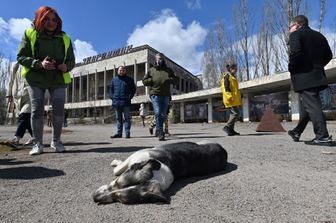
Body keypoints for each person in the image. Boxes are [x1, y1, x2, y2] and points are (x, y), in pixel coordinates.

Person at [17, 6, 75, 155]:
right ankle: (38, 144)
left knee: (59, 109)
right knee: (36, 110)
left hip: (57, 78)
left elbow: (71, 60)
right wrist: (39, 63)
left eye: (54, 19)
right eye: (47, 19)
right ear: (40, 19)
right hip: (36, 77)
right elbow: (21, 57)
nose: (51, 22)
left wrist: (65, 66)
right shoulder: (30, 33)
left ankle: (56, 141)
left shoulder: (65, 38)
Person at [287, 15, 333, 145]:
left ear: (296, 24)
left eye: (290, 27)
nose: (290, 29)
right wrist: (317, 66)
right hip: (317, 76)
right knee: (308, 105)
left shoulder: (296, 35)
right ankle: (297, 131)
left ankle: (322, 136)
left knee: (312, 106)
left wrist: (292, 68)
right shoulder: (319, 36)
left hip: (304, 76)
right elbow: (329, 55)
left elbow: (295, 52)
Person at [143, 53, 178, 141]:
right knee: (158, 113)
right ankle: (160, 132)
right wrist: (152, 80)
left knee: (163, 115)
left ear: (164, 59)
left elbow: (176, 80)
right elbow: (144, 81)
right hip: (155, 94)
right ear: (155, 59)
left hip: (166, 95)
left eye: (161, 58)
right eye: (158, 58)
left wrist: (170, 80)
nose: (160, 60)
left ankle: (158, 130)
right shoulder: (151, 70)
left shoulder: (168, 70)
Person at [6, 62, 34, 149]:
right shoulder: (16, 65)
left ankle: (16, 139)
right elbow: (11, 80)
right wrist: (9, 94)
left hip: (30, 94)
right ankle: (35, 138)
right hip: (17, 96)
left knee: (24, 115)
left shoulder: (34, 62)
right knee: (27, 119)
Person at [109, 66, 136, 139]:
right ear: (118, 71)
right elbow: (111, 89)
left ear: (125, 71)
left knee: (127, 118)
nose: (121, 71)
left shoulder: (130, 80)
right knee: (118, 118)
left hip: (126, 102)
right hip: (117, 102)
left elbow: (133, 90)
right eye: (120, 70)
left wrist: (129, 97)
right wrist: (112, 97)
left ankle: (127, 133)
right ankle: (119, 133)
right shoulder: (114, 79)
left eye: (123, 70)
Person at [220, 63, 242, 136]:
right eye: (234, 68)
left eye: (236, 69)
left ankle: (231, 130)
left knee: (234, 114)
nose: (236, 70)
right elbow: (225, 88)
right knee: (236, 113)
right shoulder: (227, 76)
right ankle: (227, 127)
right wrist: (229, 97)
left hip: (234, 99)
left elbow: (235, 90)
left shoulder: (233, 77)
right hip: (230, 99)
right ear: (230, 69)